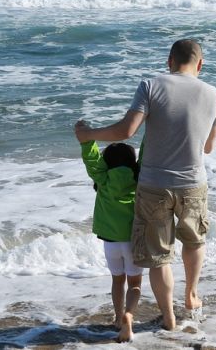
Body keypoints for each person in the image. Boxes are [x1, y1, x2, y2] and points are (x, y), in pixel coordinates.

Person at [75, 39, 216, 331]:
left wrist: (88, 134)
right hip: (193, 182)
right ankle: (191, 296)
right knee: (194, 241)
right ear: (200, 64)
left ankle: (168, 315)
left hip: (154, 184)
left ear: (169, 61)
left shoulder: (151, 85)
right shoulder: (213, 94)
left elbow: (126, 130)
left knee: (158, 255)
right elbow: (208, 147)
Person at [75, 130, 142, 342]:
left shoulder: (102, 178)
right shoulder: (139, 175)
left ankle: (117, 317)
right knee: (135, 284)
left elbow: (92, 159)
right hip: (133, 241)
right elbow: (149, 153)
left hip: (111, 243)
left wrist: (86, 139)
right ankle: (129, 315)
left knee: (117, 281)